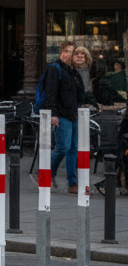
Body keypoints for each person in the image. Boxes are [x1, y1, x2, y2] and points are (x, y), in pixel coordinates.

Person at [42, 40, 89, 194]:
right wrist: (53, 114)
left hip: (73, 113)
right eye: (68, 51)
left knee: (73, 149)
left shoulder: (71, 71)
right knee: (63, 146)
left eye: (72, 51)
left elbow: (80, 92)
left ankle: (72, 183)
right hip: (62, 114)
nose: (70, 54)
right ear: (61, 52)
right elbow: (51, 93)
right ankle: (46, 173)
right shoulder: (55, 69)